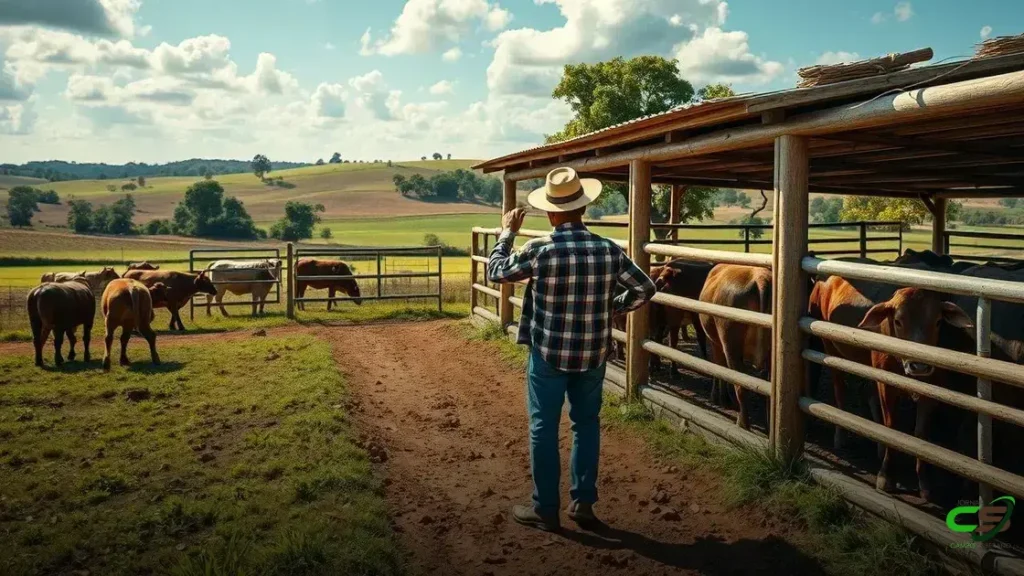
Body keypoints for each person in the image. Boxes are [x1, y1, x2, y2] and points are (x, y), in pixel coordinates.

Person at [487, 166, 657, 532]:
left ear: (550, 212)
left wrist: (507, 233)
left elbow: (496, 272)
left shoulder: (540, 249)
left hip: (548, 352)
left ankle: (545, 508)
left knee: (543, 427)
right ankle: (583, 503)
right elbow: (646, 288)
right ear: (583, 208)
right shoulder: (608, 250)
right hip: (593, 353)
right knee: (586, 424)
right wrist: (612, 308)